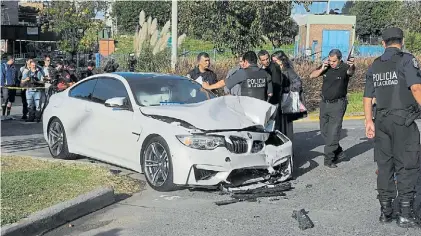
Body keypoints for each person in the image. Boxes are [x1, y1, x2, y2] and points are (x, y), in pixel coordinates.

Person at [363, 27, 421, 228]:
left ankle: (386, 212)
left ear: (383, 43)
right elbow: (415, 87)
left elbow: (368, 97)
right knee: (407, 166)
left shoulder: (375, 65)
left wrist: (369, 121)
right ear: (402, 41)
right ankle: (405, 213)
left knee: (385, 166)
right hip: (403, 121)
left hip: (381, 122)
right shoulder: (407, 59)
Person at [309, 49, 356, 168]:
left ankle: (329, 159)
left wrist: (352, 65)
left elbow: (350, 72)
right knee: (324, 131)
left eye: (334, 61)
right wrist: (322, 68)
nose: (332, 63)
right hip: (325, 103)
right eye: (330, 60)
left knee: (333, 132)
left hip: (338, 104)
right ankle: (338, 151)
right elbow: (312, 75)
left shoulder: (345, 67)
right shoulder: (326, 66)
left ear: (339, 60)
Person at [202, 51, 273, 101]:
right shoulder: (265, 73)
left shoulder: (243, 72)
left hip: (246, 110)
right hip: (261, 111)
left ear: (246, 62)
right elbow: (270, 94)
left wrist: (208, 87)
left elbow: (224, 82)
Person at [271, 50, 305, 141]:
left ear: (281, 60)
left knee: (286, 126)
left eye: (275, 61)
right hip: (277, 102)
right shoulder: (275, 71)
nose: (273, 63)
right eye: (272, 61)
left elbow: (298, 84)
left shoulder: (288, 70)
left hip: (286, 102)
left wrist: (286, 89)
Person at [1, 55, 18, 120]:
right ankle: (3, 115)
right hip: (6, 86)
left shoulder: (14, 67)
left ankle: (8, 115)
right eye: (13, 60)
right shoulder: (3, 66)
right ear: (10, 60)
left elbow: (16, 76)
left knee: (11, 100)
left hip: (13, 86)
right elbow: (2, 75)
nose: (14, 61)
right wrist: (1, 84)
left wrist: (17, 83)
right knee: (5, 99)